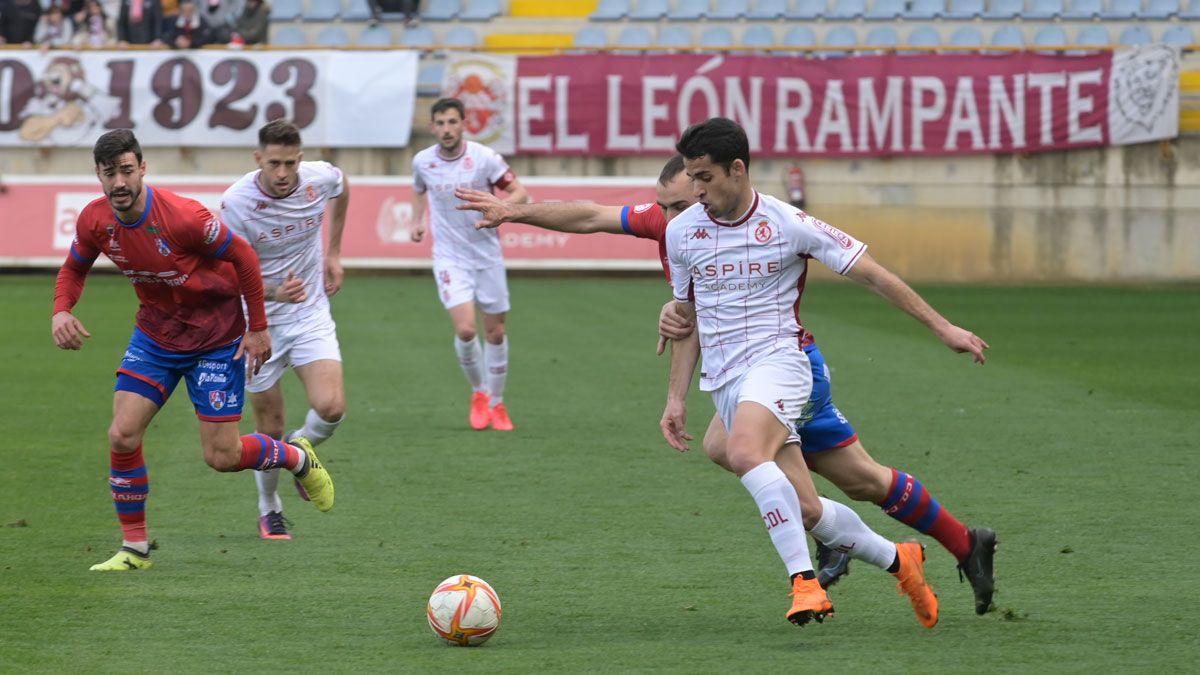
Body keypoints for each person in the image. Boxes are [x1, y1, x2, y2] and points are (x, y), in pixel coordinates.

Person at [455, 155, 998, 615]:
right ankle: (951, 544)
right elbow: (593, 217)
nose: (672, 214)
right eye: (666, 205)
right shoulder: (680, 226)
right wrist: (514, 212)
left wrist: (944, 327)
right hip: (737, 371)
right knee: (845, 479)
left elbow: (868, 271)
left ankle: (826, 562)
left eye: (686, 200)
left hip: (787, 366)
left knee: (774, 473)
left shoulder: (763, 223)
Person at [51, 129, 334, 571]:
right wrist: (61, 310)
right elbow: (74, 267)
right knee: (121, 434)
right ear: (99, 176)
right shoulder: (94, 220)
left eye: (127, 170)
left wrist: (258, 328)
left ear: (142, 168)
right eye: (110, 174)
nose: (119, 182)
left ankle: (296, 456)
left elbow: (243, 257)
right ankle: (135, 549)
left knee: (221, 457)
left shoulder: (183, 217)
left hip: (215, 337)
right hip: (156, 336)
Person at [221, 119, 349, 541]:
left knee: (331, 407)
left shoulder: (319, 178)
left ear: (300, 158)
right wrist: (274, 291)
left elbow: (343, 187)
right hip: (258, 323)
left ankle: (300, 450)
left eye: (290, 163)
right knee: (270, 428)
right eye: (274, 163)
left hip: (310, 311)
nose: (282, 173)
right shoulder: (237, 203)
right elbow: (227, 272)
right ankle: (269, 507)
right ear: (259, 159)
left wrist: (333, 252)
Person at [410, 97, 529, 431]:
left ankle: (497, 403)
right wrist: (418, 220)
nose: (447, 129)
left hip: (487, 255)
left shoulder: (484, 158)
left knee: (495, 332)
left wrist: (502, 208)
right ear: (433, 127)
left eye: (452, 122)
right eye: (440, 123)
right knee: (465, 329)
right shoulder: (423, 162)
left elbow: (520, 193)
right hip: (449, 258)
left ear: (463, 124)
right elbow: (418, 189)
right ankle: (479, 393)